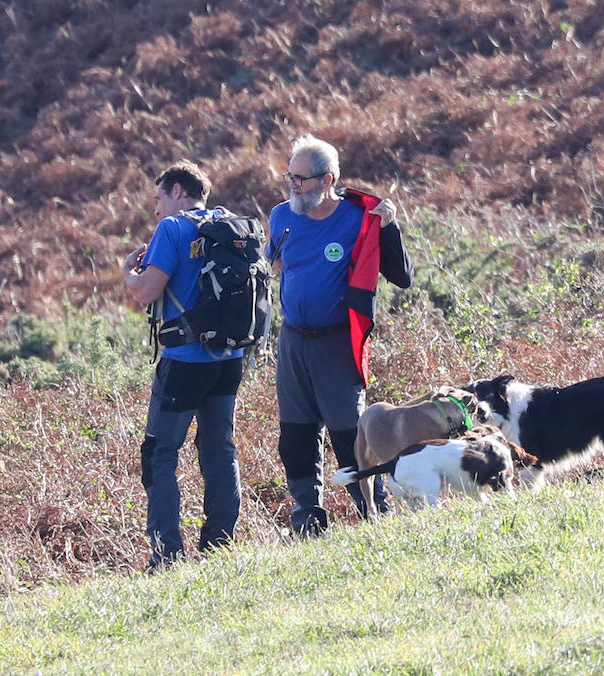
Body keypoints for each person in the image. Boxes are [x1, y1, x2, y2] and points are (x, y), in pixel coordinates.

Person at [267, 134, 412, 536]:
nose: (293, 187)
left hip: (336, 343)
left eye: (301, 179)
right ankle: (308, 521)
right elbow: (278, 263)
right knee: (295, 435)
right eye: (290, 177)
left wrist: (390, 227)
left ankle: (374, 514)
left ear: (327, 180)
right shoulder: (281, 216)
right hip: (293, 341)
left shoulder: (357, 218)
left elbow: (401, 277)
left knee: (349, 434)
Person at [123, 160, 244, 568]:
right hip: (230, 357)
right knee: (219, 448)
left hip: (185, 360)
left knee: (159, 453)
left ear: (178, 191)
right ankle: (220, 546)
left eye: (159, 198)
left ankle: (167, 555)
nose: (156, 209)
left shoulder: (172, 230)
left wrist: (129, 275)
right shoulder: (229, 225)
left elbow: (147, 291)